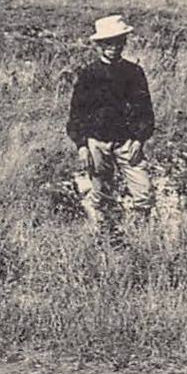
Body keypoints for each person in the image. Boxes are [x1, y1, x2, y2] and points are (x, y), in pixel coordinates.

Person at [67, 14, 155, 229]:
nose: (113, 47)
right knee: (102, 194)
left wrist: (139, 140)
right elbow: (76, 114)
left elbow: (145, 110)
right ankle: (104, 236)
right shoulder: (88, 75)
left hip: (127, 142)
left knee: (143, 194)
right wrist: (82, 146)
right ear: (98, 45)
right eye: (108, 42)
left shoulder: (134, 73)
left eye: (118, 41)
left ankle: (139, 238)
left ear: (124, 42)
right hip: (97, 142)